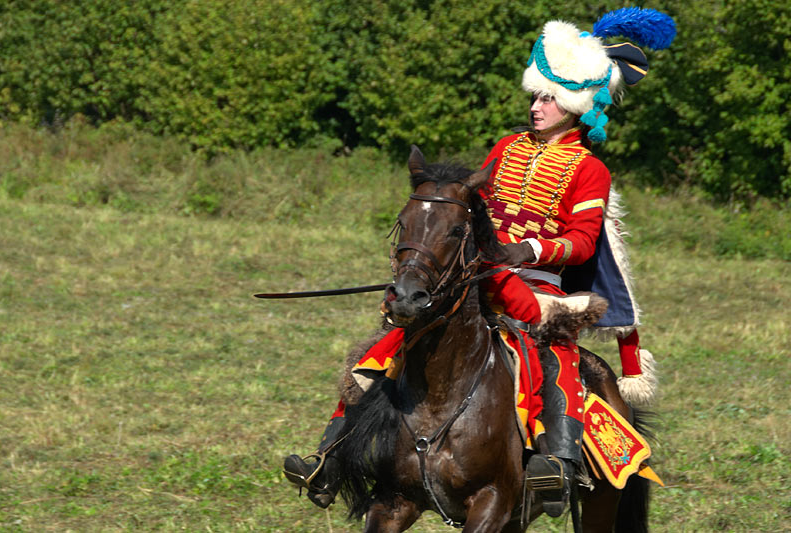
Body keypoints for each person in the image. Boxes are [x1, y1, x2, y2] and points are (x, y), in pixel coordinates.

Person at [283, 7, 675, 516]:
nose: (536, 106)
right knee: (384, 350)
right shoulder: (507, 147)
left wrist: (528, 251)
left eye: (548, 99)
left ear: (575, 105)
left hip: (541, 289)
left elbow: (581, 242)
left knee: (553, 361)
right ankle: (331, 456)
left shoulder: (589, 169)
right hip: (479, 276)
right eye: (536, 95)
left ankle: (555, 462)